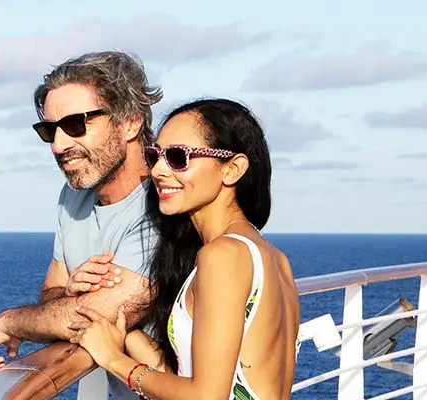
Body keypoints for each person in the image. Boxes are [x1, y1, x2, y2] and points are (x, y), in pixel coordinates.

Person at [69, 98, 299, 399]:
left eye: (178, 157)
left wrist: (115, 361)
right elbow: (203, 377)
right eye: (155, 156)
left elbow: (206, 396)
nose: (158, 171)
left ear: (232, 169)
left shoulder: (222, 256)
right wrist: (120, 329)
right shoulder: (272, 258)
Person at [0, 51, 162, 399]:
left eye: (77, 124)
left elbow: (104, 312)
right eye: (49, 130)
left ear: (130, 123)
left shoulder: (165, 201)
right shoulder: (72, 196)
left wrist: (10, 321)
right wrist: (73, 296)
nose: (59, 145)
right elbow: (54, 293)